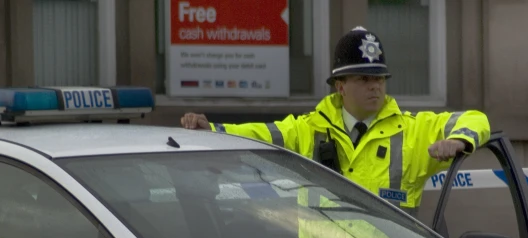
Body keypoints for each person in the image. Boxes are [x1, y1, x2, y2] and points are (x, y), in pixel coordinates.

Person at [180, 26, 491, 221]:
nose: (375, 87)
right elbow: (263, 134)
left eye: (380, 79)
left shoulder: (410, 130)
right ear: (340, 87)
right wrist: (213, 131)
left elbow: (475, 118)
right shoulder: (310, 129)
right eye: (365, 79)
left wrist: (461, 140)